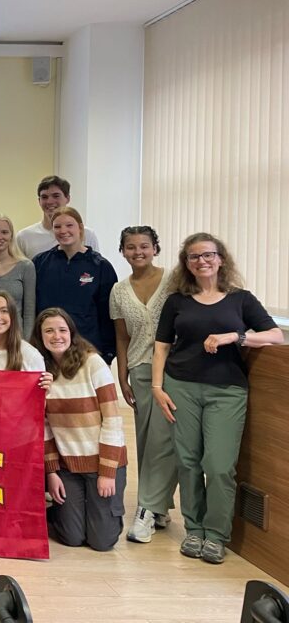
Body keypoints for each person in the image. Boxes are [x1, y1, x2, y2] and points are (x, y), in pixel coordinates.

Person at [152, 233, 283, 564]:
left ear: (221, 258)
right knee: (188, 462)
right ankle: (194, 530)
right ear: (186, 264)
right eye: (194, 257)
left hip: (227, 391)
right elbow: (162, 346)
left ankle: (216, 534)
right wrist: (157, 387)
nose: (202, 261)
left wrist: (235, 337)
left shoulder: (241, 299)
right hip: (181, 387)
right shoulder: (176, 301)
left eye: (208, 255)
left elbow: (274, 335)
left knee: (220, 466)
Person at [32, 307, 127, 552]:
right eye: (49, 331)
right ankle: (61, 513)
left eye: (62, 330)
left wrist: (108, 472)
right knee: (72, 538)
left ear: (71, 333)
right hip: (67, 467)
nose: (56, 336)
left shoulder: (93, 363)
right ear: (40, 336)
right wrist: (51, 472)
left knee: (102, 542)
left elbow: (113, 420)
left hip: (101, 462)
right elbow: (43, 428)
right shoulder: (40, 373)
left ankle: (105, 514)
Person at [109, 226, 176, 544]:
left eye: (144, 246)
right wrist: (122, 376)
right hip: (140, 368)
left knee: (165, 439)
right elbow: (122, 338)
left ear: (155, 249)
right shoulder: (119, 291)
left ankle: (148, 508)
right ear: (122, 251)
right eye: (131, 247)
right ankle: (158, 506)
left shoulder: (174, 281)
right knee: (148, 440)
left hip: (176, 369)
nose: (138, 252)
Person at [33, 206, 118, 362]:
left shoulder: (100, 266)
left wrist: (108, 353)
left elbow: (108, 315)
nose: (63, 231)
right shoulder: (40, 263)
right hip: (48, 351)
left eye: (69, 225)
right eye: (57, 227)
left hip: (87, 350)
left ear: (80, 228)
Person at [0, 215, 36, 339]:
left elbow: (29, 312)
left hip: (17, 338)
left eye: (4, 232)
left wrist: (27, 342)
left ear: (11, 236)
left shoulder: (26, 266)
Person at [16, 175, 100, 259]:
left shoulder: (87, 235)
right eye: (44, 197)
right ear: (39, 201)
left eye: (56, 196)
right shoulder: (24, 237)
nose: (49, 201)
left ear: (67, 198)